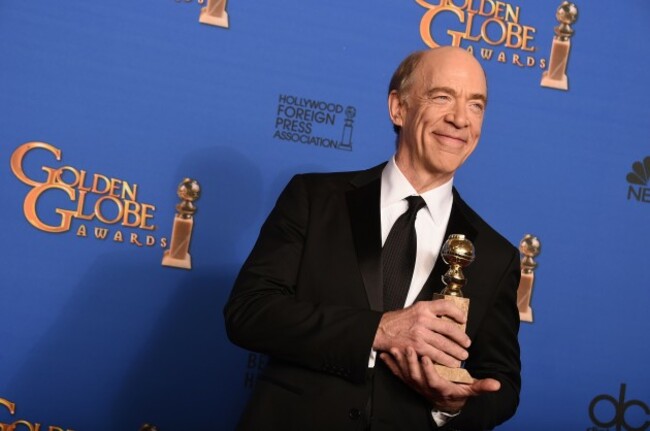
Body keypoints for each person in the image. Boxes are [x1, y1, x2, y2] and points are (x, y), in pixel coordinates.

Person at [224, 46, 521, 430]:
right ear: (398, 108)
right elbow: (249, 313)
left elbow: (502, 384)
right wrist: (379, 330)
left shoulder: (496, 256)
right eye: (442, 96)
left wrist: (450, 406)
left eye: (476, 105)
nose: (460, 118)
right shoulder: (315, 200)